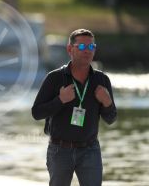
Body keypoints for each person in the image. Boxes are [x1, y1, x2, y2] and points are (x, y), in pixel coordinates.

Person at [31, 29, 117, 186]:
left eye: (91, 47)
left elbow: (111, 118)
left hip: (90, 150)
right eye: (82, 47)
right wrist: (60, 100)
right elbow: (36, 113)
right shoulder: (54, 78)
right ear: (70, 49)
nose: (87, 51)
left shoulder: (102, 80)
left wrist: (107, 102)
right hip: (60, 150)